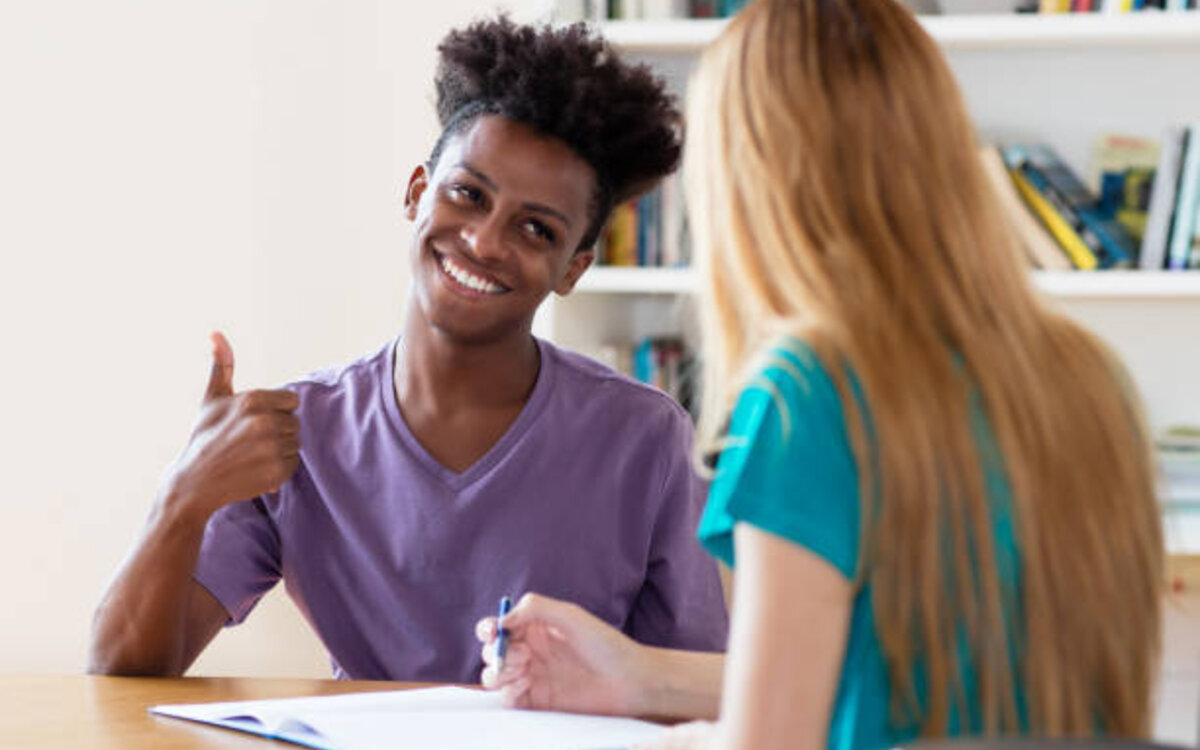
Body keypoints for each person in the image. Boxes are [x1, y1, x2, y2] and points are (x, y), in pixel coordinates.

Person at [476, 0, 1164, 747]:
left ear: (752, 183)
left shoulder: (808, 393)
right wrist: (640, 677)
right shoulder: (1090, 379)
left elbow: (767, 743)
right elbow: (884, 686)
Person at [88, 17, 728, 683]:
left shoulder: (647, 442)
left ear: (573, 268)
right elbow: (121, 670)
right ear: (417, 193)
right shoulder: (294, 435)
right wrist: (184, 493)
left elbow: (701, 695)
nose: (484, 241)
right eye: (468, 195)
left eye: (536, 229)